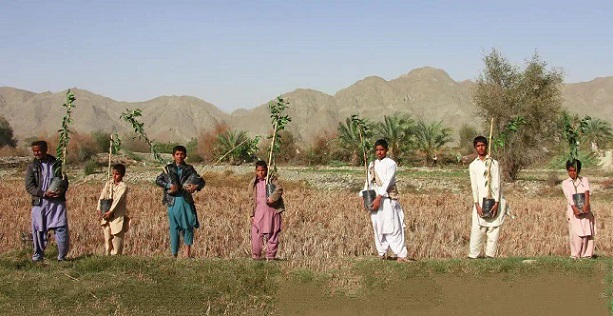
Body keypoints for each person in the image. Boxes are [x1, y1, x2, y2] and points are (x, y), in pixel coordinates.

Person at [363, 139, 409, 262]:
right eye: (377, 150)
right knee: (377, 225)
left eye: (382, 150)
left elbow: (387, 183)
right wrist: (365, 196)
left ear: (386, 150)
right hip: (375, 199)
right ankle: (382, 252)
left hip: (387, 199)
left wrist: (379, 198)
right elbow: (368, 181)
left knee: (392, 227)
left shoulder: (391, 164)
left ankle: (401, 254)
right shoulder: (372, 164)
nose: (379, 152)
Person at [155, 146, 205, 258]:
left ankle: (187, 254)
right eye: (177, 154)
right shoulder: (168, 168)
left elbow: (201, 181)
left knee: (188, 225)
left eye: (182, 154)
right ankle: (174, 254)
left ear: (185, 155)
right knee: (174, 228)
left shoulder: (189, 169)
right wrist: (169, 186)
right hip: (172, 201)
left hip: (185, 200)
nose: (179, 156)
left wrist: (195, 186)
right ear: (173, 156)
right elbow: (158, 180)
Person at [25, 140, 70, 262]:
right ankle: (38, 256)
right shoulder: (32, 167)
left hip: (57, 204)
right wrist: (44, 193)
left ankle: (62, 257)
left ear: (45, 149)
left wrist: (62, 190)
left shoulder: (57, 164)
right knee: (39, 230)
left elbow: (64, 181)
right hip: (40, 204)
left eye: (39, 150)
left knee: (61, 229)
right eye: (34, 151)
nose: (36, 153)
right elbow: (29, 186)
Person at [467, 136, 508, 259]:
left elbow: (497, 183)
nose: (481, 148)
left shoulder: (493, 163)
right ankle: (473, 254)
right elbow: (474, 186)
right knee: (477, 228)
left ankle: (490, 255)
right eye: (478, 146)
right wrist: (477, 204)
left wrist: (496, 202)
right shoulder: (473, 166)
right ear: (475, 148)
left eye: (483, 145)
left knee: (494, 229)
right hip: (480, 201)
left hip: (494, 200)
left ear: (486, 146)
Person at [247, 160, 285, 260]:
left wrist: (273, 197)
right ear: (255, 171)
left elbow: (279, 189)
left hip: (272, 212)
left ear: (266, 170)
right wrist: (251, 214)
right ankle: (256, 256)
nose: (261, 173)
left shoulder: (272, 180)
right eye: (258, 170)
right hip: (259, 212)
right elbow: (251, 199)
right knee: (256, 234)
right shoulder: (253, 184)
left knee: (273, 233)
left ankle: (270, 257)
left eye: (263, 170)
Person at [561, 159, 595, 259]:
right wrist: (574, 209)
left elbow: (587, 191)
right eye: (570, 171)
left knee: (587, 231)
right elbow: (569, 197)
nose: (572, 173)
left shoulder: (584, 180)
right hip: (573, 209)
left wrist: (586, 205)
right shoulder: (565, 183)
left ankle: (587, 254)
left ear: (578, 170)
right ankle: (575, 254)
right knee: (575, 232)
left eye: (574, 170)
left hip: (585, 208)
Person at [96, 164, 129, 255]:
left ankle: (116, 257)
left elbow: (117, 201)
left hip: (117, 215)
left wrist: (111, 211)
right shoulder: (109, 183)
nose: (114, 176)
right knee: (107, 238)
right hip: (106, 215)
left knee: (117, 239)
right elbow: (102, 196)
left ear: (122, 175)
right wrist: (99, 208)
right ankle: (107, 256)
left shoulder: (123, 186)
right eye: (113, 174)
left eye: (117, 174)